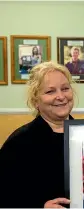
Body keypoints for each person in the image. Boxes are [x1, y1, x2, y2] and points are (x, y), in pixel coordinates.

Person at [0, 61, 76, 208]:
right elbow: (4, 196)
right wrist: (39, 207)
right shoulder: (19, 143)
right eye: (50, 91)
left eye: (65, 88)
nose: (60, 96)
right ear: (36, 101)